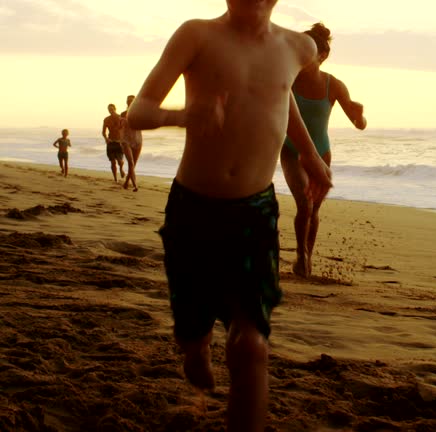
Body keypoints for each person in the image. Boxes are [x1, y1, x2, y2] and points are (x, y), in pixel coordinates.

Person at [126, 1, 332, 430]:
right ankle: (196, 346)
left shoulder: (299, 48)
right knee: (192, 332)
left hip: (255, 211)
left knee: (251, 345)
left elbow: (282, 95)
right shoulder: (196, 34)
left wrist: (311, 155)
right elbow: (139, 110)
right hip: (193, 208)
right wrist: (181, 116)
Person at [282, 22, 367, 278]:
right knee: (304, 205)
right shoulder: (288, 80)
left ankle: (307, 255)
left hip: (322, 153)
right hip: (290, 151)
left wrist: (359, 115)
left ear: (322, 56)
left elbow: (359, 125)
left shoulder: (334, 86)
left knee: (314, 210)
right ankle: (300, 256)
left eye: (308, 53)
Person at [120, 95, 143, 191]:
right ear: (126, 102)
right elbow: (120, 128)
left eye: (132, 100)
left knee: (133, 165)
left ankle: (126, 182)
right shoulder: (123, 114)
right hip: (126, 141)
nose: (130, 102)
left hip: (138, 140)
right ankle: (134, 185)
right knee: (131, 163)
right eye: (128, 101)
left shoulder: (140, 113)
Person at [101, 103, 125, 182]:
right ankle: (115, 179)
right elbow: (103, 132)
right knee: (112, 162)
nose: (110, 111)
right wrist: (106, 138)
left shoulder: (120, 118)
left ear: (115, 108)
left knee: (120, 161)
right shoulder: (106, 119)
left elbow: (124, 130)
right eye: (109, 109)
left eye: (112, 109)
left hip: (119, 143)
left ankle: (121, 169)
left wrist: (123, 139)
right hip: (110, 142)